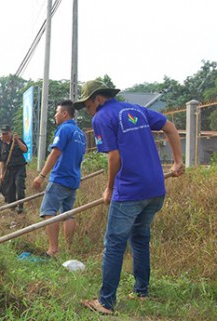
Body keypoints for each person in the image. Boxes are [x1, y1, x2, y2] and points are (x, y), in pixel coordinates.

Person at [74, 80, 185, 315]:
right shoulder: (136, 110)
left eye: (87, 104)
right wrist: (177, 161)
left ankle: (105, 302)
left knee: (114, 244)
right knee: (140, 238)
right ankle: (141, 291)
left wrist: (110, 188)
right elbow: (171, 127)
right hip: (155, 189)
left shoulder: (102, 117)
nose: (87, 110)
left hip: (130, 191)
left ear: (98, 99)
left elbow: (114, 156)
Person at [32, 100, 86, 257]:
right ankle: (69, 250)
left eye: (56, 112)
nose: (55, 115)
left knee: (49, 211)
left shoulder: (64, 130)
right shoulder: (80, 133)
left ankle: (53, 250)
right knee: (68, 214)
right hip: (73, 179)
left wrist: (41, 176)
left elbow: (55, 153)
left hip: (60, 178)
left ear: (65, 114)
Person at [0, 124, 28, 213]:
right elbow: (1, 160)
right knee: (9, 188)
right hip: (8, 169)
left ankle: (20, 206)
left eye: (6, 133)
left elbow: (25, 150)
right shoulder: (1, 145)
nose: (5, 136)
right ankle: (12, 206)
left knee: (19, 185)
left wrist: (17, 140)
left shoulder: (17, 141)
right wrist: (1, 173)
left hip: (19, 168)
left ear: (10, 133)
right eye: (3, 134)